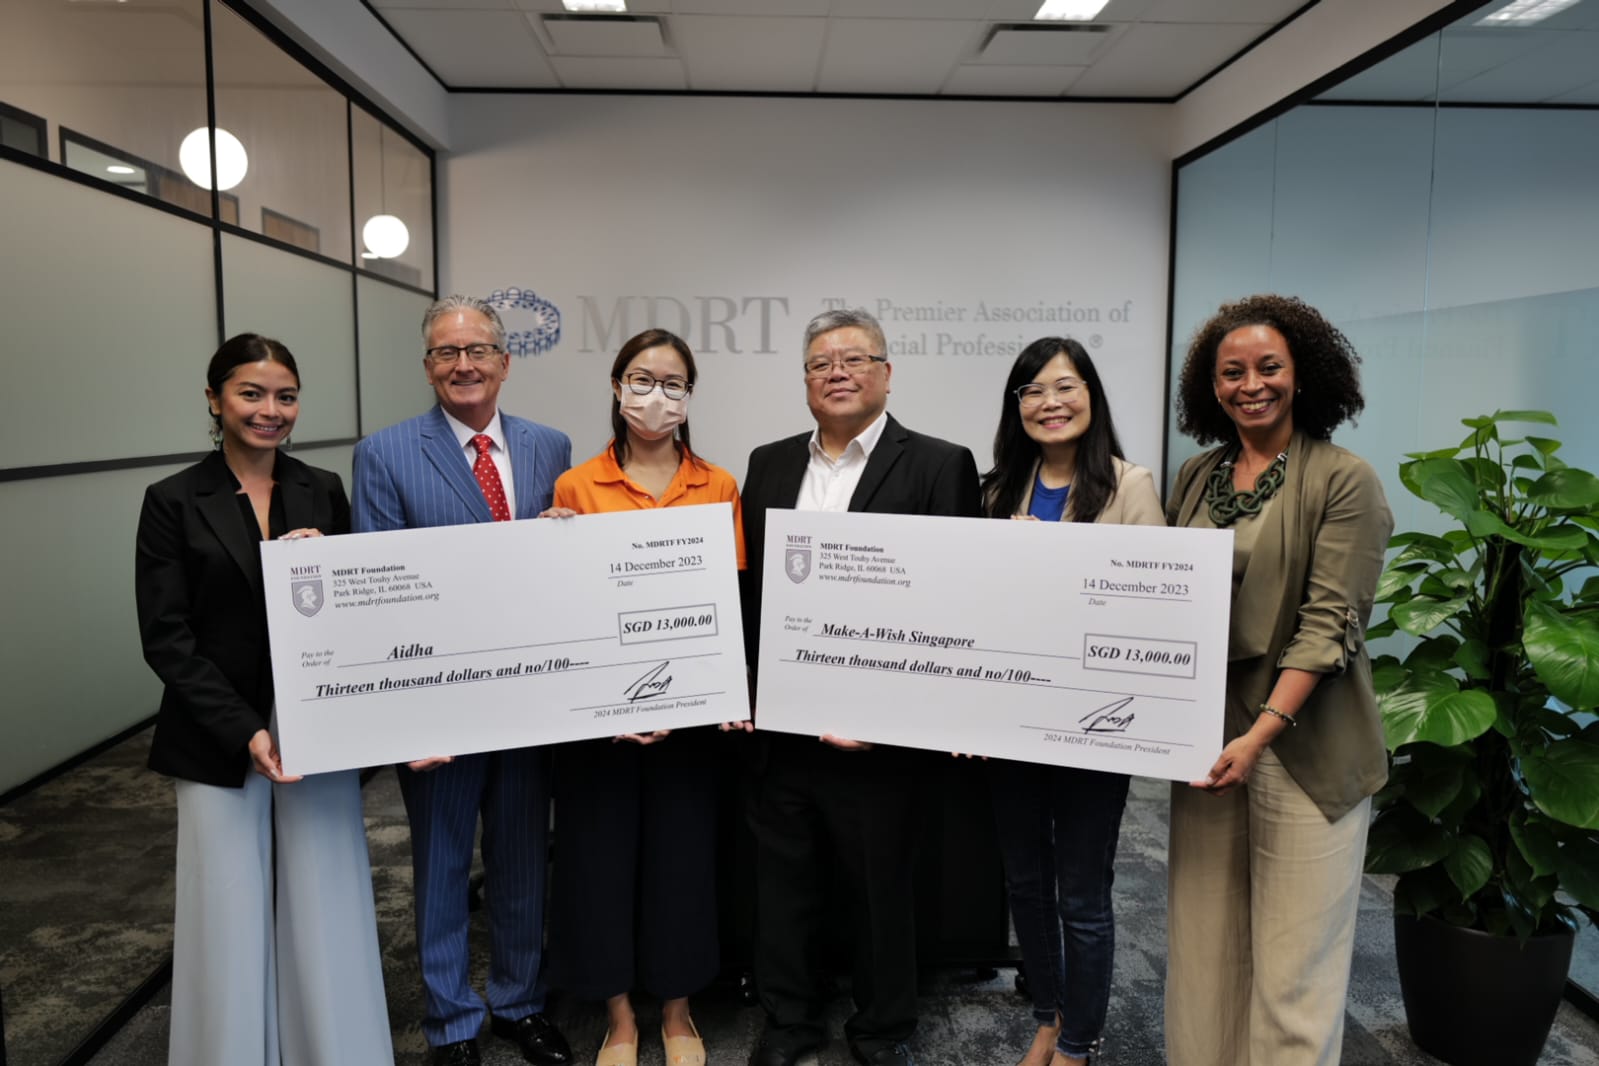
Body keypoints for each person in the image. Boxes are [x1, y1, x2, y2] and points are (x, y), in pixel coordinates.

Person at [135, 333, 392, 1066]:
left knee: (326, 891)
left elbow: (357, 614)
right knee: (228, 902)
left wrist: (324, 573)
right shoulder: (171, 501)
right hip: (220, 729)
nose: (270, 410)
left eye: (285, 395)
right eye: (251, 394)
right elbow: (166, 638)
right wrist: (247, 729)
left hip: (317, 724)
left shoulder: (322, 490)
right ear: (214, 401)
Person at [740, 308, 981, 1066]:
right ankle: (789, 1023)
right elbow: (749, 594)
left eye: (853, 358)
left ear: (886, 372)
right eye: (819, 363)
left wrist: (895, 713)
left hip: (879, 732)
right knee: (784, 890)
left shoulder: (940, 462)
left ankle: (881, 1027)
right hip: (782, 723)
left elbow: (951, 600)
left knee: (880, 892)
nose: (836, 372)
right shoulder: (769, 462)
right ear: (805, 382)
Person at [1164, 295, 1393, 1066]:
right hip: (1205, 744)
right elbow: (1160, 597)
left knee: (1294, 975)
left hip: (1303, 748)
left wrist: (1258, 735)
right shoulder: (1196, 476)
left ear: (1303, 376)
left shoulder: (1343, 479)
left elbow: (1329, 627)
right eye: (1231, 372)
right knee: (1204, 956)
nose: (1249, 384)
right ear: (1210, 386)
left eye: (1268, 367)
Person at [352, 295, 573, 1066]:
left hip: (527, 700)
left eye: (477, 350)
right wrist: (408, 720)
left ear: (505, 362)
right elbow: (378, 589)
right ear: (427, 367)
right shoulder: (384, 452)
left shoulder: (551, 446)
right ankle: (449, 1019)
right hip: (439, 712)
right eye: (446, 353)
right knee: (441, 865)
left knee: (520, 862)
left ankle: (518, 1001)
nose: (463, 365)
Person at [539, 328, 744, 1066]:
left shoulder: (717, 485)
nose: (654, 396)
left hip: (689, 720)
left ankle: (679, 1010)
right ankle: (620, 1015)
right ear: (616, 388)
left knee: (682, 863)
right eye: (640, 379)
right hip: (600, 725)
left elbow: (726, 604)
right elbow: (567, 611)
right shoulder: (576, 485)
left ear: (689, 398)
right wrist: (549, 542)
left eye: (671, 384)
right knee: (599, 863)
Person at [978, 338, 1164, 1066]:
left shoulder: (1130, 485)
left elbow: (1147, 606)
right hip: (1014, 721)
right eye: (1030, 390)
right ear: (1015, 406)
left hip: (1092, 724)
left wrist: (1053, 558)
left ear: (1090, 394)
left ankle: (1079, 1042)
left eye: (1062, 386)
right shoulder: (996, 490)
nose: (1048, 402)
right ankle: (1048, 1017)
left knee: (1081, 896)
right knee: (1025, 885)